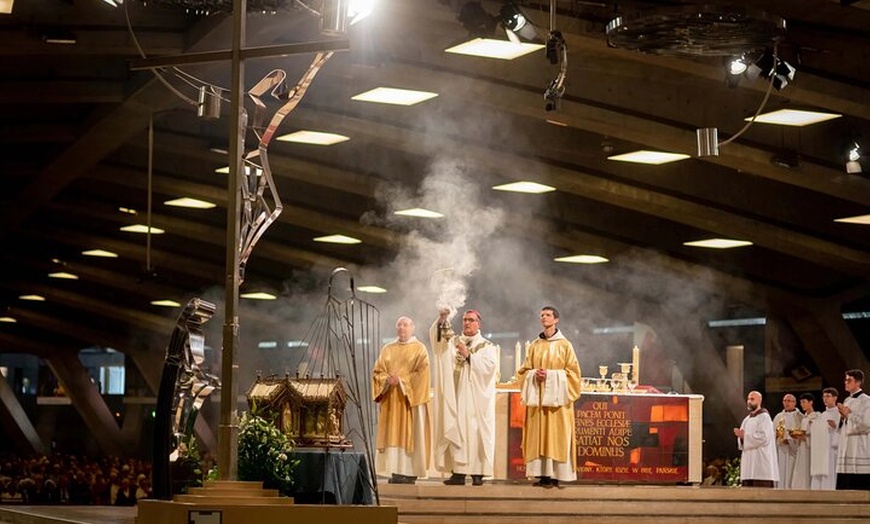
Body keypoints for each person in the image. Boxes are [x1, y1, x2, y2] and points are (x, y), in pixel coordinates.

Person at [429, 308, 500, 486]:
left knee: (475, 432)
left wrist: (469, 356)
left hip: (475, 400)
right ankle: (458, 473)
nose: (467, 323)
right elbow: (437, 342)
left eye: (471, 320)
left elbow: (490, 368)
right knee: (455, 429)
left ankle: (478, 472)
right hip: (454, 396)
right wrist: (442, 319)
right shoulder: (452, 341)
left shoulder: (487, 346)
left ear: (478, 324)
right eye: (464, 320)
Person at [516, 306, 582, 488]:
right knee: (538, 437)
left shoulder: (565, 345)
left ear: (556, 320)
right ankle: (542, 474)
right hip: (538, 402)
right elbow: (523, 371)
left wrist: (552, 377)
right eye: (542, 315)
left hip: (557, 406)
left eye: (547, 315)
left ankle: (555, 475)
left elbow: (574, 375)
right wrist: (534, 375)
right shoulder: (535, 345)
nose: (544, 318)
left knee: (555, 436)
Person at [372, 316, 431, 485]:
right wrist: (386, 380)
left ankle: (410, 471)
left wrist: (402, 381)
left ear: (412, 328)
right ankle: (397, 470)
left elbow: (423, 372)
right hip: (391, 400)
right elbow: (377, 371)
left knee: (410, 434)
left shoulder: (420, 349)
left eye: (405, 325)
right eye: (399, 325)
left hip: (410, 400)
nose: (401, 328)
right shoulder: (387, 349)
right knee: (393, 432)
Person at [733, 390, 779, 487]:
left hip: (761, 465)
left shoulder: (764, 417)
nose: (749, 401)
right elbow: (742, 441)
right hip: (748, 465)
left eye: (752, 399)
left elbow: (764, 437)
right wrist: (741, 438)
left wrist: (745, 436)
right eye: (748, 399)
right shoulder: (746, 419)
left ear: (759, 401)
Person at [836, 369, 870, 490]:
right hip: (846, 444)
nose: (845, 382)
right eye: (845, 380)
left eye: (849, 380)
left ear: (858, 383)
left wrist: (849, 415)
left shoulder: (866, 401)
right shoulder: (847, 400)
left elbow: (867, 424)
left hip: (859, 445)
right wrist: (842, 418)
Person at [772, 393, 801, 489]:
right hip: (780, 450)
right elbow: (772, 433)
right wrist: (777, 437)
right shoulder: (778, 417)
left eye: (789, 401)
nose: (786, 403)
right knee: (780, 472)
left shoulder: (799, 417)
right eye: (785, 401)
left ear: (794, 403)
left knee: (791, 473)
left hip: (793, 451)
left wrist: (790, 441)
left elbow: (801, 435)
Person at [815, 387, 841, 490]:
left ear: (835, 398)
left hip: (834, 447)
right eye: (824, 396)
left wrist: (836, 426)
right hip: (823, 448)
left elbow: (844, 429)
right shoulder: (823, 414)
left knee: (832, 470)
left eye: (828, 396)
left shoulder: (839, 413)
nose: (825, 399)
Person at [790, 393, 817, 489]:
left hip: (810, 448)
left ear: (811, 402)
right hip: (802, 446)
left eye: (804, 402)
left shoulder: (816, 416)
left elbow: (817, 433)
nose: (802, 404)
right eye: (801, 402)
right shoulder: (804, 418)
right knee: (801, 468)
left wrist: (806, 436)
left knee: (808, 468)